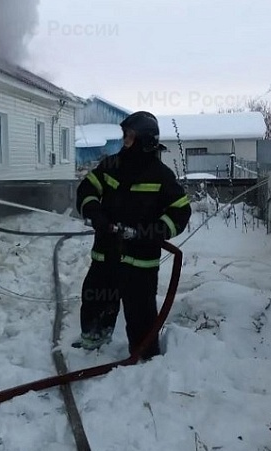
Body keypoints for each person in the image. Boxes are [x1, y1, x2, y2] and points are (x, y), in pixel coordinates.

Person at [73, 111, 192, 360]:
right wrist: (95, 213)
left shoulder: (161, 175)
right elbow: (87, 189)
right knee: (95, 298)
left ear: (144, 141)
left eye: (128, 137)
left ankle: (145, 356)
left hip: (140, 262)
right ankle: (93, 343)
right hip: (106, 253)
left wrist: (153, 233)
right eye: (125, 137)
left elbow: (180, 211)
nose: (124, 142)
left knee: (141, 312)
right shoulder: (112, 165)